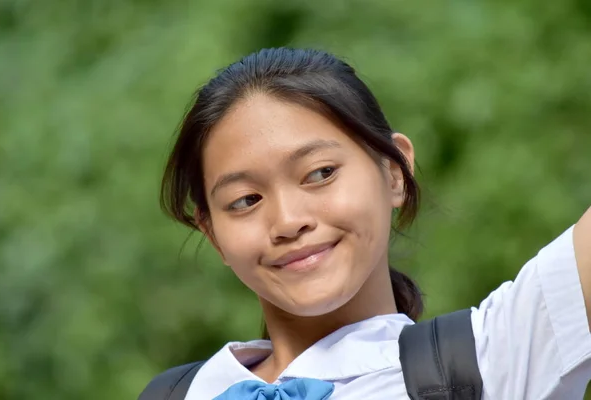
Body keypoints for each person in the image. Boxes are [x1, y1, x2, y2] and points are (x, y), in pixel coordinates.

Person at [148, 47, 591, 399]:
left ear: (394, 172)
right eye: (245, 200)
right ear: (213, 235)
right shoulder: (180, 394)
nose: (287, 221)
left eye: (320, 174)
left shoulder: (492, 358)